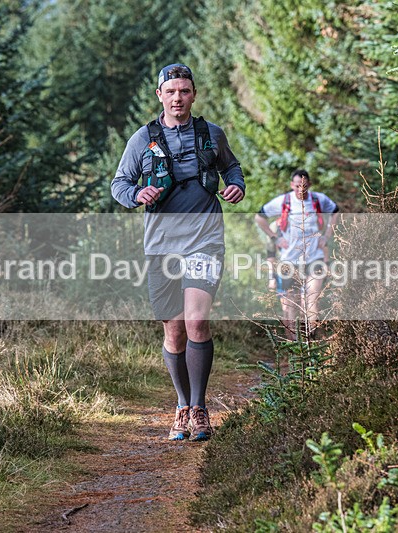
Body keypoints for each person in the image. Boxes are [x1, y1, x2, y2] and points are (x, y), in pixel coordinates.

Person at [111, 63, 244, 441]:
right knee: (174, 330)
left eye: (184, 91)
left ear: (193, 94)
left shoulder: (210, 134)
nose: (178, 98)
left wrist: (236, 187)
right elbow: (119, 183)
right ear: (160, 96)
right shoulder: (143, 139)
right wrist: (137, 194)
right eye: (171, 92)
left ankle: (200, 409)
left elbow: (233, 169)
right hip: (161, 245)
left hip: (204, 239)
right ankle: (182, 405)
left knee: (196, 322)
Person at [254, 169, 339, 340]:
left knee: (311, 299)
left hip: (314, 258)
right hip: (289, 261)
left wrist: (327, 236)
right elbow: (259, 217)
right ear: (291, 185)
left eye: (305, 186)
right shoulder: (283, 202)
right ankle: (292, 345)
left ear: (310, 185)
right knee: (289, 304)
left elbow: (335, 211)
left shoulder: (318, 199)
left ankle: (310, 344)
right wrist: (275, 238)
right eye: (298, 186)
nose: (301, 190)